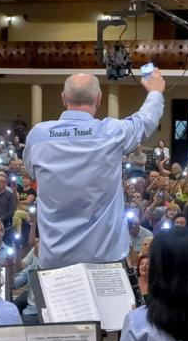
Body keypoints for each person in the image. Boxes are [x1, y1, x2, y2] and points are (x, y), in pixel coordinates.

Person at [25, 70, 167, 267]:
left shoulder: (37, 136)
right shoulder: (112, 132)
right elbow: (145, 120)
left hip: (55, 260)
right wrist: (155, 92)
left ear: (63, 98)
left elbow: (32, 172)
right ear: (99, 99)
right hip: (105, 259)